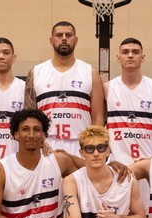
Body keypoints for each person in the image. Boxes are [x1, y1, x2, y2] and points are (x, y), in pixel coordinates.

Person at [25, 21, 105, 154]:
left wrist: (92, 145)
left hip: (81, 144)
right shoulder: (36, 72)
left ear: (76, 40)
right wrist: (40, 141)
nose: (63, 38)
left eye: (68, 35)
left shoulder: (91, 72)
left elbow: (98, 117)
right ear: (51, 40)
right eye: (59, 35)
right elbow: (29, 115)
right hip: (47, 144)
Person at [105, 37, 152, 164]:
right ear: (118, 58)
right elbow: (98, 124)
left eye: (135, 52)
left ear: (142, 58)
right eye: (125, 52)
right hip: (116, 164)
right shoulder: (107, 89)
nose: (130, 55)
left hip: (149, 163)